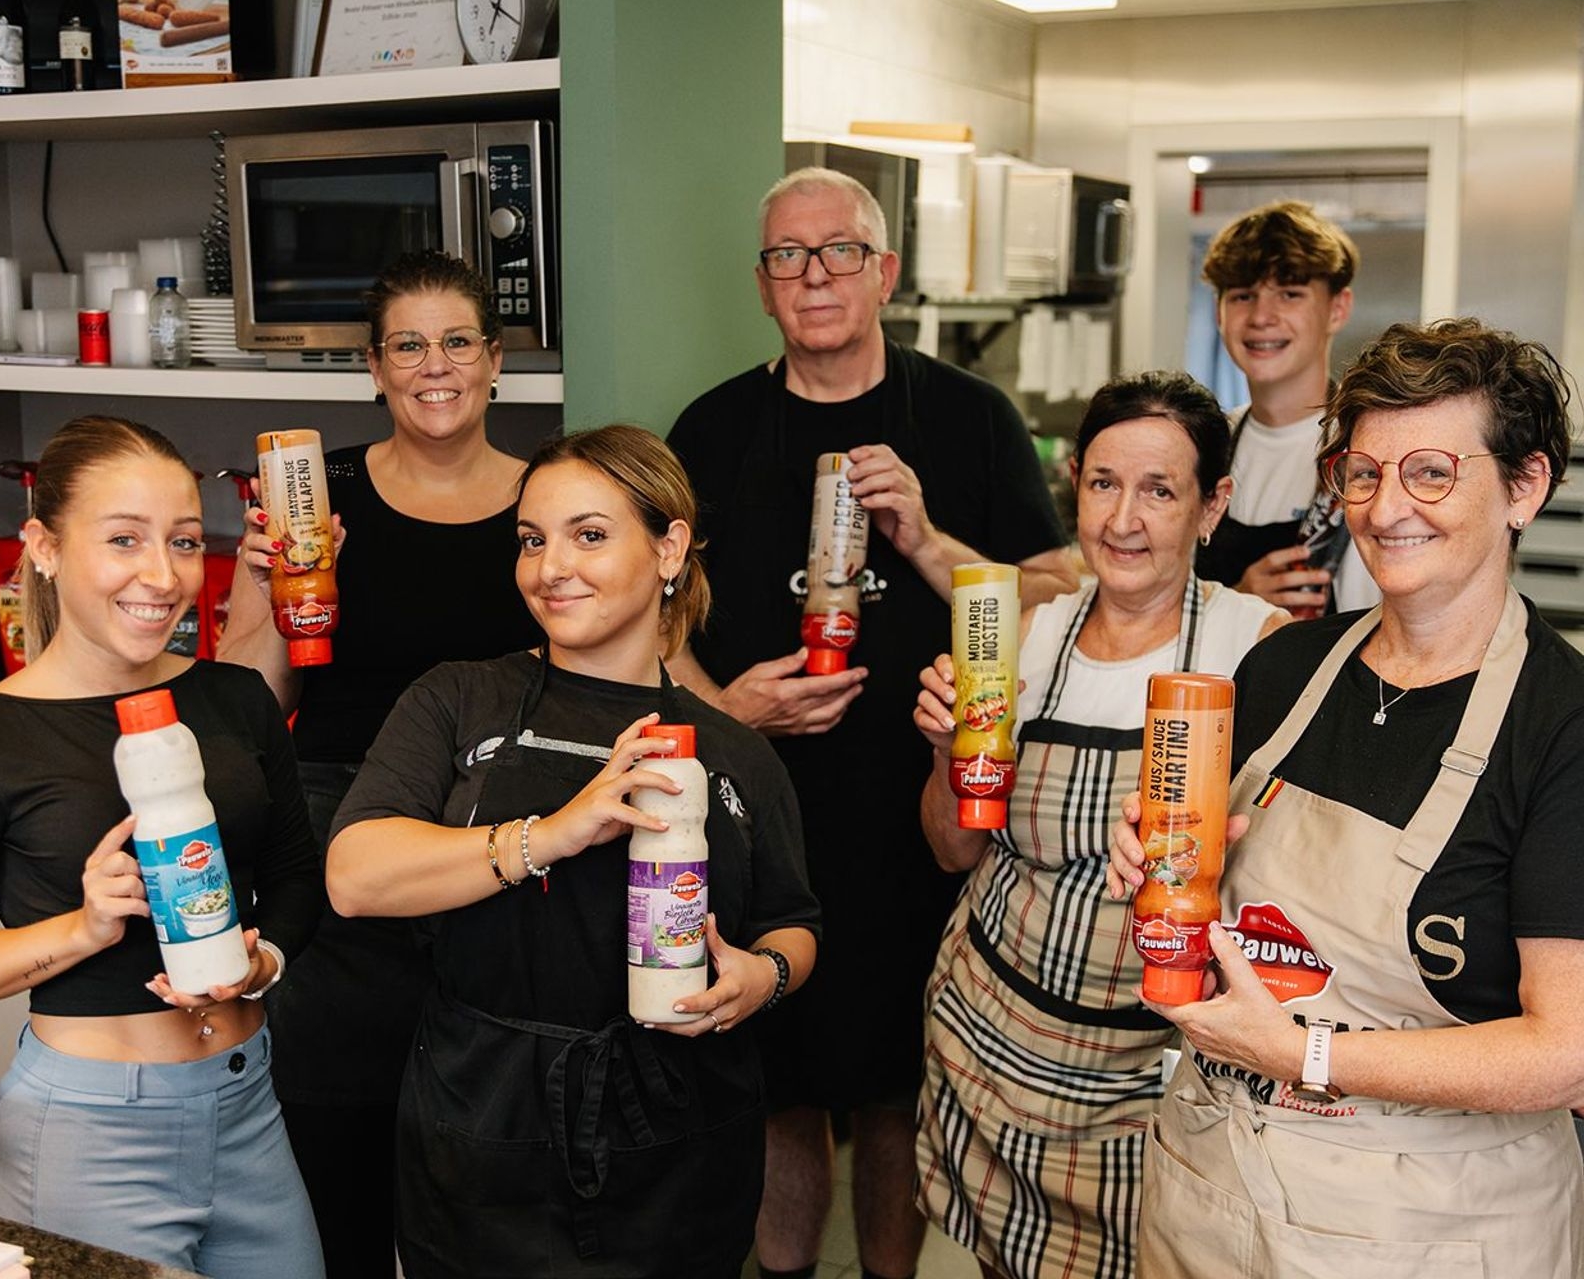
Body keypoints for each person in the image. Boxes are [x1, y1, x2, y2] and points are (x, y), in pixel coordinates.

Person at [666, 166, 1078, 1279]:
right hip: (760, 811)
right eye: (786, 256)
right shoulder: (711, 428)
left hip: (923, 803)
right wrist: (725, 705)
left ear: (884, 271)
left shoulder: (966, 417)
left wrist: (928, 538)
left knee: (898, 1082)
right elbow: (648, 621)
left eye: (838, 250)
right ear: (761, 285)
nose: (814, 275)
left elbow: (1059, 592)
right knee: (778, 1079)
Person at [1109, 319, 1584, 1275]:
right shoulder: (1283, 667)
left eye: (1432, 473)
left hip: (1433, 1226)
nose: (1386, 508)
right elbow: (1216, 925)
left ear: (1523, 486)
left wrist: (1307, 1055)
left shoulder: (1560, 726)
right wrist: (1163, 873)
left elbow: (1565, 1050)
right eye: (1362, 474)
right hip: (1208, 1187)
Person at [324, 424, 820, 1278]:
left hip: (679, 1134)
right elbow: (355, 876)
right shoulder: (459, 698)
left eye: (589, 535)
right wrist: (557, 832)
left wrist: (762, 977)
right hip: (480, 1121)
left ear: (669, 549)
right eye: (531, 540)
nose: (550, 568)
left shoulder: (738, 752)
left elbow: (792, 924)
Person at [911, 372, 1286, 1279]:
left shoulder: (1259, 648)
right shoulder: (1020, 635)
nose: (1124, 519)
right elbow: (953, 848)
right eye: (1105, 483)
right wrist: (942, 749)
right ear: (1074, 483)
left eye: (1161, 490)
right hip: (989, 1035)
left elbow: (1283, 882)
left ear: (1212, 507)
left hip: (1150, 1074)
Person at [216, 249, 543, 1275]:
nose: (433, 364)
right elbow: (249, 707)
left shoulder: (550, 503)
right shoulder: (316, 493)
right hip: (339, 842)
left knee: (489, 1156)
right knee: (336, 1139)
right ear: (374, 365)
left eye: (457, 341)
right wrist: (265, 585)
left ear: (496, 360)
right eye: (408, 343)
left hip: (501, 844)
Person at [0, 415, 322, 1278]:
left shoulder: (236, 698)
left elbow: (293, 876)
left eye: (180, 542)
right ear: (45, 547)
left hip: (249, 1105)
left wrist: (265, 961)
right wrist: (85, 927)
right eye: (123, 539)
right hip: (88, 1132)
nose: (160, 576)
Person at [1194, 199, 1380, 618]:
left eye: (1289, 294)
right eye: (1243, 296)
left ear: (1338, 308)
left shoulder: (1367, 452)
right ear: (1219, 314)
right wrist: (1235, 605)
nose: (1262, 316)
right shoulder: (1206, 443)